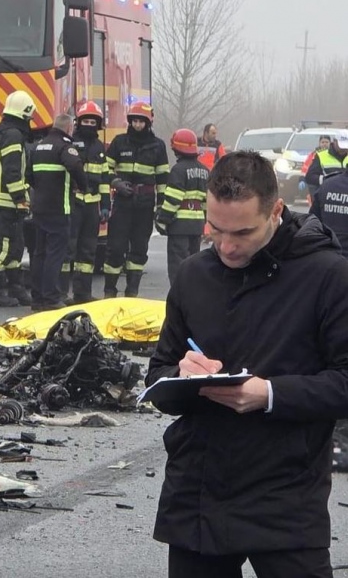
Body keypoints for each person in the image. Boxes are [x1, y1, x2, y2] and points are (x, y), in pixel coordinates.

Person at [148, 150, 348, 578]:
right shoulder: (192, 276)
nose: (226, 246)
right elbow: (158, 373)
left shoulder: (328, 276)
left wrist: (271, 394)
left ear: (276, 211)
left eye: (242, 232)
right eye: (215, 230)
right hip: (197, 493)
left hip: (285, 496)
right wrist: (180, 377)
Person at [103, 102, 169, 298]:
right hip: (123, 203)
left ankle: (132, 292)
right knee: (116, 247)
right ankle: (109, 291)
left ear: (148, 123)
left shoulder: (158, 146)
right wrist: (116, 182)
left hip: (145, 204)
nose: (137, 125)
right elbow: (104, 169)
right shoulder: (119, 142)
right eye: (135, 121)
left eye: (141, 121)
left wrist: (160, 208)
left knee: (139, 249)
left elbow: (163, 179)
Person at [28, 113, 88, 311]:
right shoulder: (65, 146)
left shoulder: (38, 146)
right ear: (69, 128)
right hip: (59, 208)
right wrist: (82, 186)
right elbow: (75, 165)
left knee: (39, 253)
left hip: (39, 208)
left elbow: (29, 175)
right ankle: (51, 297)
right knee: (55, 254)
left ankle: (36, 297)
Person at [0, 90, 35, 307]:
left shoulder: (3, 131)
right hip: (7, 199)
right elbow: (12, 171)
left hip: (4, 198)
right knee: (3, 246)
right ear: (24, 114)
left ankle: (16, 288)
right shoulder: (13, 135)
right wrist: (21, 199)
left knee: (16, 246)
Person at [61, 100, 111, 304]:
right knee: (68, 249)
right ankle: (62, 293)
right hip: (74, 203)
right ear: (79, 122)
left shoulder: (100, 148)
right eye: (86, 120)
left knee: (88, 251)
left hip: (93, 206)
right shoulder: (70, 143)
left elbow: (105, 179)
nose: (89, 124)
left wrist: (106, 205)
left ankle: (82, 293)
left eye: (93, 121)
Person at [155, 128, 210, 285]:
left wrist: (162, 220)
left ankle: (178, 298)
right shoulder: (205, 171)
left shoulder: (178, 170)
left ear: (176, 148)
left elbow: (173, 199)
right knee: (193, 264)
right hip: (197, 225)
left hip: (179, 226)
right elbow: (207, 202)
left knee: (178, 266)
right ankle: (192, 297)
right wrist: (203, 220)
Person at [310, 137, 348, 258]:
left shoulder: (326, 187)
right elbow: (310, 175)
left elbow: (312, 224)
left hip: (329, 257)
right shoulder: (321, 155)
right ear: (334, 142)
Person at [301, 135, 332, 205]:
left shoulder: (333, 154)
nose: (324, 144)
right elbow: (306, 167)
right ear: (319, 143)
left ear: (330, 143)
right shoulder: (314, 154)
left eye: (326, 142)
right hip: (316, 183)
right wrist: (302, 179)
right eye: (322, 142)